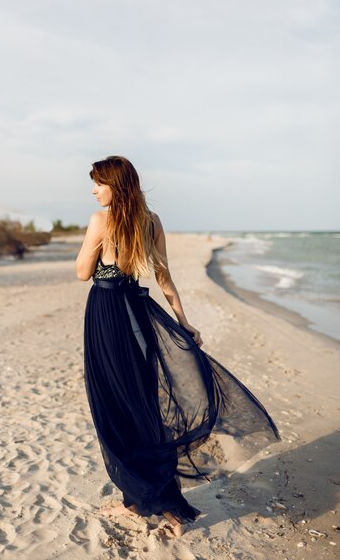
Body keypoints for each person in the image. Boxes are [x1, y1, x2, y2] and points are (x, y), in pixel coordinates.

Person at [75, 155, 280, 537]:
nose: (93, 190)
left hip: (106, 316)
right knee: (143, 403)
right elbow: (164, 277)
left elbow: (83, 273)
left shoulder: (100, 221)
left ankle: (142, 500)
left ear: (114, 186)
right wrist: (184, 322)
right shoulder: (151, 222)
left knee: (114, 406)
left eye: (98, 184)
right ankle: (157, 504)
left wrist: (94, 245)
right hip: (138, 313)